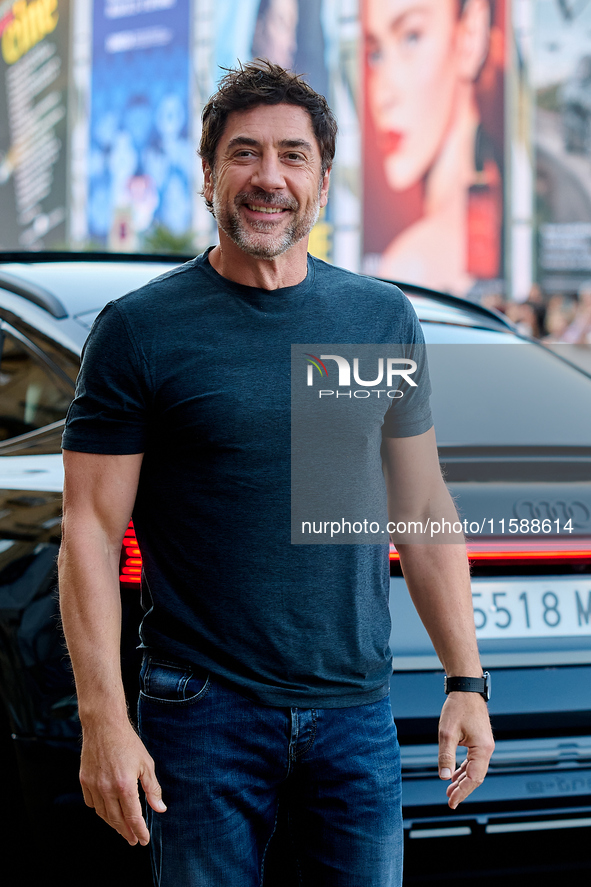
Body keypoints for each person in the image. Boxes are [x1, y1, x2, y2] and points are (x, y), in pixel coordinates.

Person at [58, 60, 494, 887]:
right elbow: (88, 528)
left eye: (293, 156)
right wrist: (103, 718)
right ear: (209, 175)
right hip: (202, 712)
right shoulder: (140, 331)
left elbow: (423, 505)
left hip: (356, 712)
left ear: (323, 183)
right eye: (245, 153)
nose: (269, 178)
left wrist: (465, 679)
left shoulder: (378, 317)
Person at [364, 0, 502, 295]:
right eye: (375, 54)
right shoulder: (501, 201)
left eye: (411, 37)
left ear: (470, 35)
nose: (382, 96)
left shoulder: (410, 264)